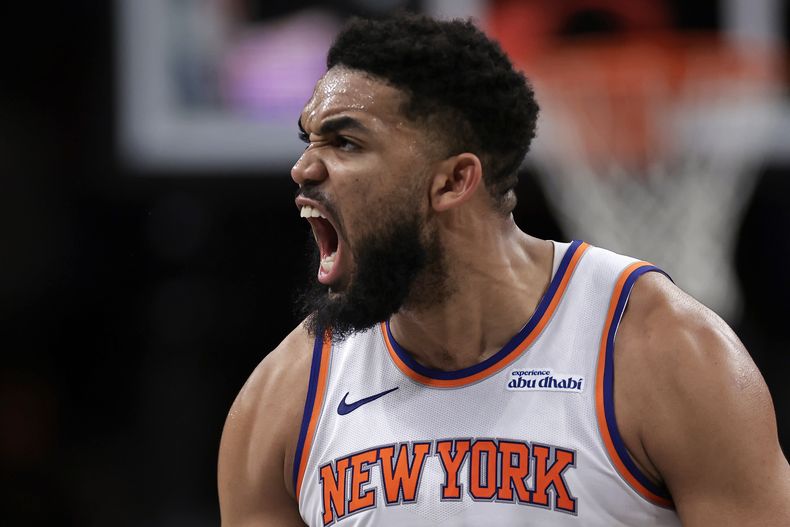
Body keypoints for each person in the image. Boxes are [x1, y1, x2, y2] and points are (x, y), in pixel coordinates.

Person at [217, 13, 790, 527]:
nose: (303, 168)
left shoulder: (662, 352)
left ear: (452, 182)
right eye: (308, 140)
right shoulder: (284, 401)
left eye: (344, 141)